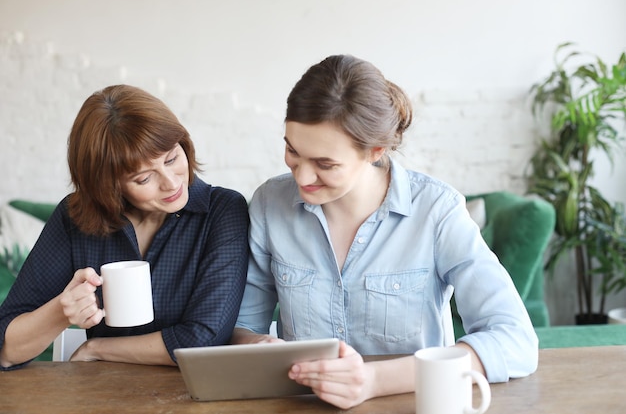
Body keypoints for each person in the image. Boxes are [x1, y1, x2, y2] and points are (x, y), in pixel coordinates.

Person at [232, 55, 538, 409]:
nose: (301, 177)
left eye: (325, 164)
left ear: (375, 150)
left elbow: (515, 341)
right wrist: (255, 346)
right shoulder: (270, 204)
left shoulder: (436, 212)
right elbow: (241, 326)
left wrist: (373, 381)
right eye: (293, 151)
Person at [0, 84, 249, 370]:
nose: (171, 182)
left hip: (191, 393)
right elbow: (6, 351)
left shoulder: (221, 209)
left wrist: (98, 348)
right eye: (144, 179)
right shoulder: (74, 217)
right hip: (103, 394)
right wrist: (62, 310)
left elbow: (205, 339)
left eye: (172, 158)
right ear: (108, 185)